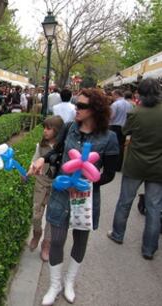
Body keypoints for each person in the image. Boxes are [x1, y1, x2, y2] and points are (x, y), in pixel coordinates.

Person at [32, 88, 119, 305]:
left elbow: (109, 173)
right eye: (76, 104)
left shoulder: (109, 138)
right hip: (61, 193)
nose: (76, 108)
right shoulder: (70, 128)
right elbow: (57, 152)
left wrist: (86, 184)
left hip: (85, 198)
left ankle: (69, 282)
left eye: (81, 106)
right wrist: (44, 159)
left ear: (95, 110)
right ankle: (54, 285)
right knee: (58, 240)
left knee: (80, 241)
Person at [108, 78, 162, 260]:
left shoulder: (135, 113)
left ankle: (118, 234)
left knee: (125, 201)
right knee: (154, 207)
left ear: (141, 93)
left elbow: (125, 132)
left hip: (135, 164)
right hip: (158, 167)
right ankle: (149, 248)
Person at [27, 116, 64, 262]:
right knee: (36, 214)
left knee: (52, 216)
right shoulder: (41, 146)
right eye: (45, 127)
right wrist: (31, 169)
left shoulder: (63, 147)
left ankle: (46, 244)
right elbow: (35, 160)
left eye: (49, 128)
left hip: (57, 185)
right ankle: (37, 233)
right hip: (41, 183)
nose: (45, 131)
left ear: (57, 131)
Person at [109, 89, 133, 171]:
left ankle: (112, 164)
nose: (112, 97)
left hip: (115, 126)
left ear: (116, 95)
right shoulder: (129, 105)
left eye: (112, 95)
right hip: (124, 126)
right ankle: (118, 166)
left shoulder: (115, 104)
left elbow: (111, 116)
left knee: (113, 146)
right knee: (121, 146)